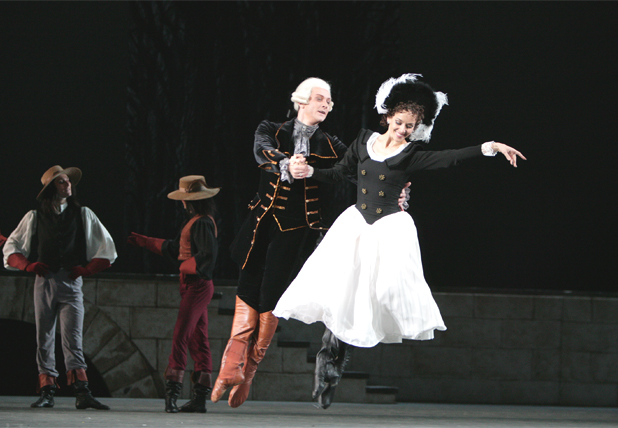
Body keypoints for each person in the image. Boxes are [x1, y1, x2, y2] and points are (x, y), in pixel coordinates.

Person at [273, 73, 526, 408]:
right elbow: (339, 174)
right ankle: (329, 363)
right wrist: (309, 173)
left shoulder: (411, 154)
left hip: (389, 228)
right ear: (388, 116)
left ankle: (338, 358)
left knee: (378, 292)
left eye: (411, 126)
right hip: (356, 225)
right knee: (341, 291)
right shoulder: (363, 141)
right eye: (400, 123)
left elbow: (449, 157)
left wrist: (490, 147)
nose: (404, 130)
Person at [214, 77, 409, 408]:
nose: (326, 104)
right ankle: (228, 370)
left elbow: (360, 167)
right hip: (261, 223)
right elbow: (262, 149)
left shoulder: (330, 145)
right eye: (320, 98)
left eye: (330, 101)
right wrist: (285, 163)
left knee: (269, 298)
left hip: (297, 231)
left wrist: (392, 185)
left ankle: (248, 372)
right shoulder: (272, 130)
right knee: (246, 288)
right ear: (301, 100)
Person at [3, 165, 116, 410]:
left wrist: (87, 269)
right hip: (45, 281)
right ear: (51, 187)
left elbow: (107, 247)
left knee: (73, 337)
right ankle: (47, 390)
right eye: (62, 182)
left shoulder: (81, 213)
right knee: (44, 336)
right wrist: (27, 265)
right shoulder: (35, 215)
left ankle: (82, 391)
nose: (68, 185)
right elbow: (12, 246)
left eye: (68, 181)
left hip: (71, 281)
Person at [128, 175, 220, 414]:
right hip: (193, 284)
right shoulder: (196, 221)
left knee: (181, 336)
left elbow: (207, 254)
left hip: (197, 285)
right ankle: (199, 399)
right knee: (198, 340)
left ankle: (172, 394)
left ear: (188, 201)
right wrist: (147, 242)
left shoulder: (201, 223)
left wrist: (187, 267)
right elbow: (175, 248)